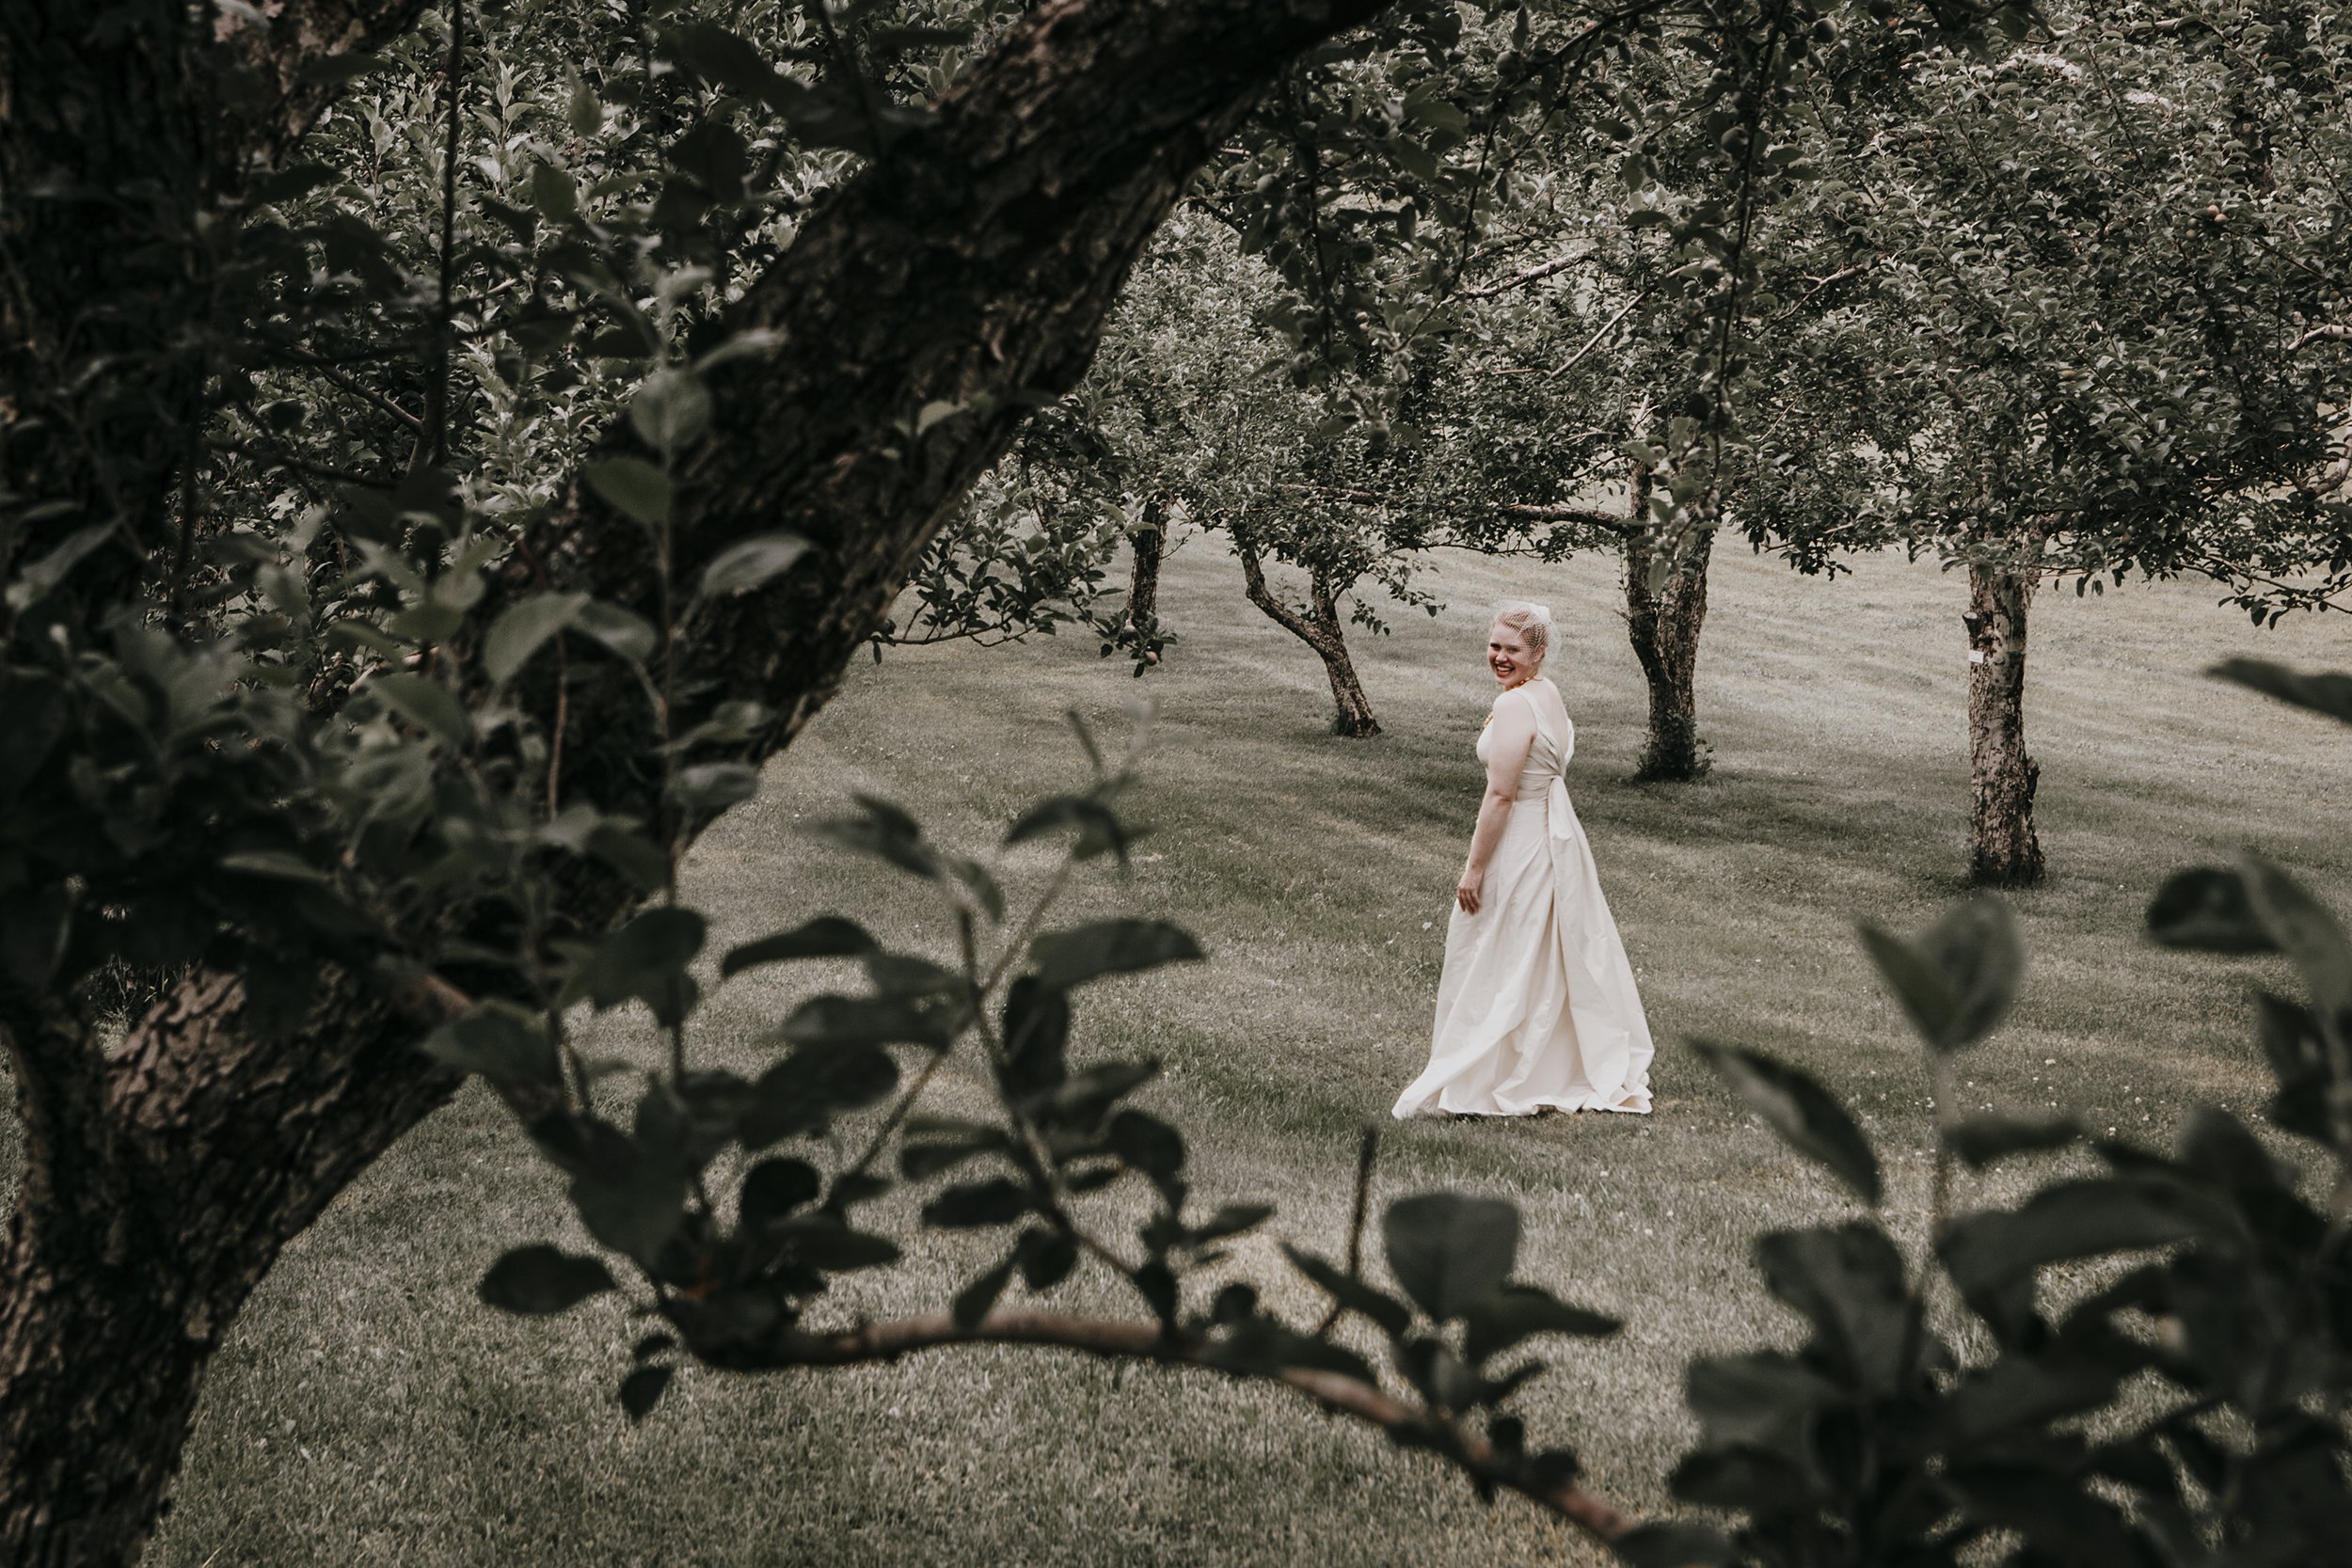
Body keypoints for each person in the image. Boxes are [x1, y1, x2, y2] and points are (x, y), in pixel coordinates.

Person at [1391, 601, 1655, 1117]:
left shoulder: (1516, 705)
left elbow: (1501, 797)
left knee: (1496, 952)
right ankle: (1539, 1063)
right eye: (1495, 646)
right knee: (1538, 954)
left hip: (1522, 841)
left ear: (1537, 653)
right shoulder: (1543, 693)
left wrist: (1474, 868)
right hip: (1554, 840)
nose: (1500, 657)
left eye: (1513, 649)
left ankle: (1484, 1076)